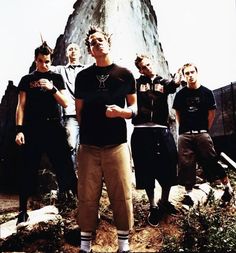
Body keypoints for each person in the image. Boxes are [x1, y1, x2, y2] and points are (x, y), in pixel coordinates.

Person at [74, 26, 137, 253]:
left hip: (117, 144)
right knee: (87, 196)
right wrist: (89, 131)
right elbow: (78, 110)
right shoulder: (82, 77)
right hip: (89, 146)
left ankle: (123, 245)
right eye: (92, 42)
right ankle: (85, 246)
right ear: (90, 50)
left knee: (121, 194)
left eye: (100, 40)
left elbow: (134, 108)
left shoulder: (124, 74)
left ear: (108, 43)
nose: (96, 43)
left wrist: (120, 113)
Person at [15, 42, 78, 226]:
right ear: (36, 61)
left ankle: (79, 207)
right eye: (41, 61)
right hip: (32, 129)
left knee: (65, 166)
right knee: (27, 169)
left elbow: (66, 103)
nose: (44, 65)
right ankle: (22, 211)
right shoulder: (26, 79)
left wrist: (52, 89)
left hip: (53, 128)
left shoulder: (56, 78)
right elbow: (21, 106)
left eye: (47, 61)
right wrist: (19, 130)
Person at [172, 63, 234, 206]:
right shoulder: (180, 94)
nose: (190, 75)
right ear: (184, 76)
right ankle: (189, 196)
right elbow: (178, 114)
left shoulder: (206, 92)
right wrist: (184, 131)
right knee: (186, 164)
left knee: (211, 160)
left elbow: (211, 114)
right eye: (186, 73)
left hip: (202, 133)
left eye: (192, 72)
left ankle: (227, 188)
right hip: (185, 135)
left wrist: (204, 129)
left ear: (197, 72)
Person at [131, 54, 181, 227]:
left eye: (149, 64)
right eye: (144, 67)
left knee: (170, 161)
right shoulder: (136, 83)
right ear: (140, 70)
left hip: (161, 130)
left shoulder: (163, 82)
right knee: (146, 168)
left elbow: (173, 85)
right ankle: (152, 206)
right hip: (141, 131)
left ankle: (164, 201)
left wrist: (177, 80)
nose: (148, 68)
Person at [51, 43, 84, 171]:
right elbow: (46, 67)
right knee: (70, 145)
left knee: (87, 147)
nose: (73, 51)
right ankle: (73, 181)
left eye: (76, 48)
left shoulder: (87, 69)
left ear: (80, 53)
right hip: (71, 114)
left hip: (87, 114)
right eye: (70, 49)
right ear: (66, 53)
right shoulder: (60, 70)